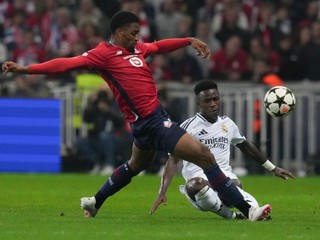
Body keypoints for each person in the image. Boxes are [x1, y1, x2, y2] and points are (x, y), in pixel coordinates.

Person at [3, 11, 272, 221]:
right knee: (205, 156)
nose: (137, 37)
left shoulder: (138, 50)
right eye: (133, 33)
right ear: (118, 32)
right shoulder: (102, 54)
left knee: (134, 166)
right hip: (154, 123)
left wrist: (188, 40)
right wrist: (27, 70)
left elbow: (160, 47)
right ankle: (247, 210)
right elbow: (66, 63)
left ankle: (95, 202)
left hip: (144, 125)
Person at [150, 80, 295, 220]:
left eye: (215, 99)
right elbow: (173, 159)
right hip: (199, 185)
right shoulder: (188, 127)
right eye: (207, 101)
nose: (213, 104)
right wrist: (162, 192)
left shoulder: (228, 124)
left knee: (236, 184)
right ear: (198, 103)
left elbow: (245, 146)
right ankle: (231, 215)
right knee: (196, 185)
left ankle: (253, 212)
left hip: (223, 180)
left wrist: (272, 168)